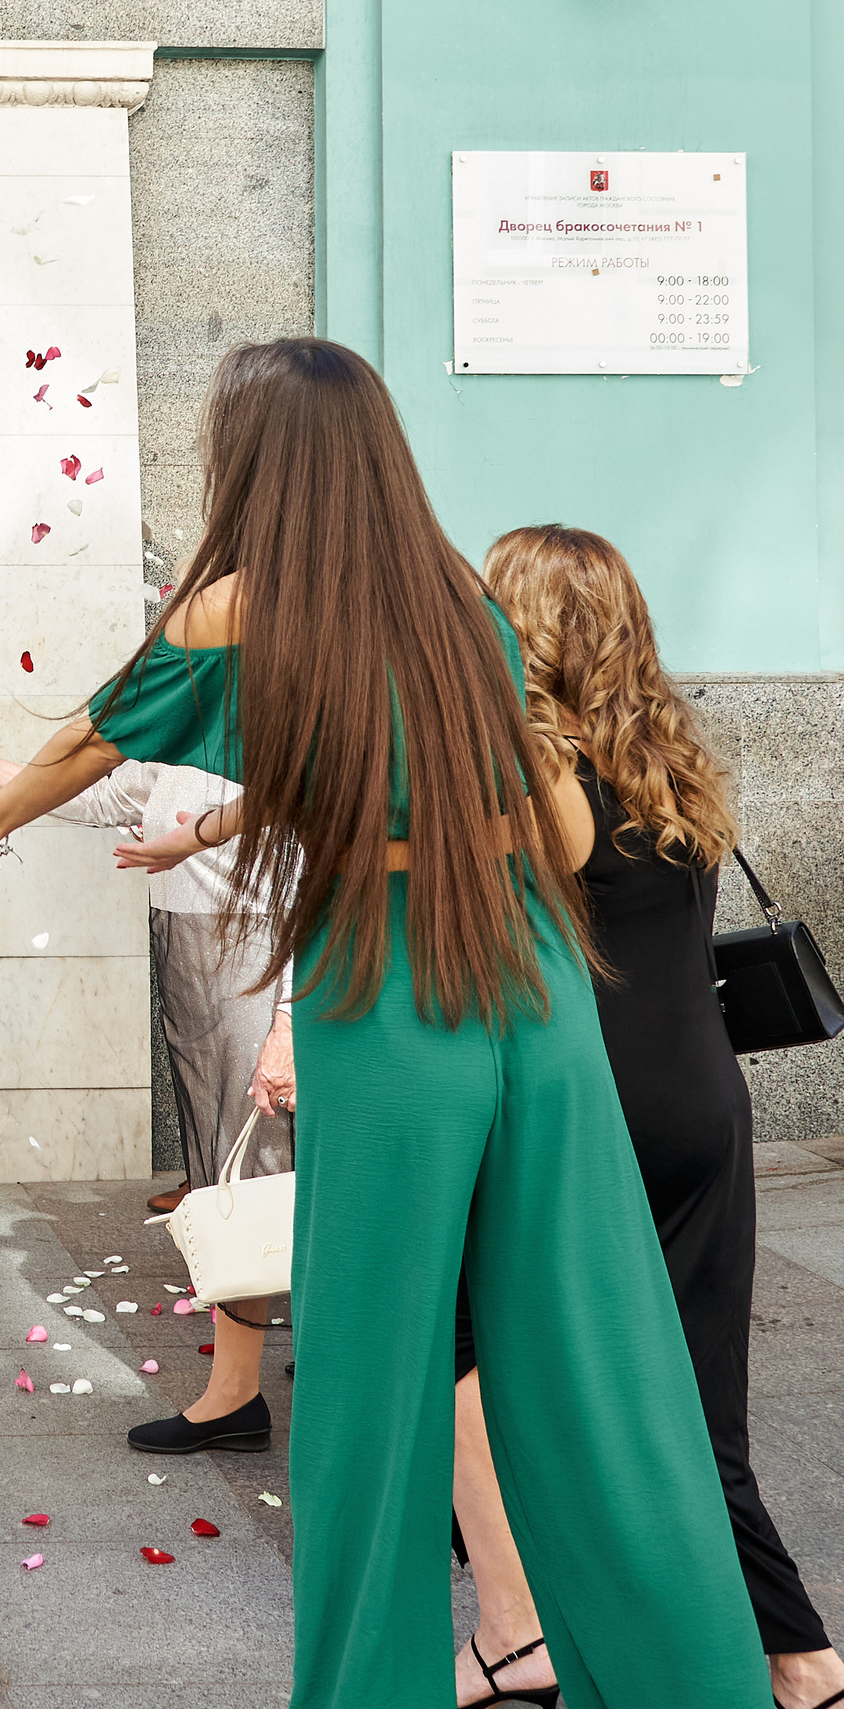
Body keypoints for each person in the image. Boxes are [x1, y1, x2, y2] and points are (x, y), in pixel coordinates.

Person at [0, 338, 762, 1706]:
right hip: (528, 980)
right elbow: (566, 824)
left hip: (392, 984)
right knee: (595, 1353)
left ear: (256, 460)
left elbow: (91, 741)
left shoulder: (233, 607)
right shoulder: (457, 595)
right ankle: (694, 1681)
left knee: (376, 1375)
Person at [440, 525, 844, 1709]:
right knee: (698, 1400)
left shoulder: (524, 761)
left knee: (455, 1345)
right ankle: (801, 1655)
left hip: (584, 1111)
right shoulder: (669, 754)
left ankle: (515, 1630)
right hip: (701, 1101)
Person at [0, 750, 292, 1451]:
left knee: (269, 1161)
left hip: (260, 938)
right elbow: (110, 792)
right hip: (193, 944)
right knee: (225, 1163)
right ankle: (238, 1393)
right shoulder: (200, 714)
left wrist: (291, 1014)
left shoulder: (284, 705)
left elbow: (328, 862)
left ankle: (330, 1380)